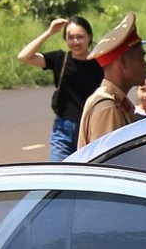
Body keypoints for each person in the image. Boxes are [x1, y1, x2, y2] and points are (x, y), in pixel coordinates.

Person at [16, 16, 100, 161]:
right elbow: (24, 56)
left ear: (89, 37)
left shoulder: (100, 63)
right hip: (63, 131)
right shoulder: (60, 59)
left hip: (92, 130)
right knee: (59, 176)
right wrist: (49, 32)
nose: (76, 42)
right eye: (70, 37)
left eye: (80, 37)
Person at [78, 13, 146, 148]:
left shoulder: (115, 101)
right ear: (123, 62)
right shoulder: (109, 108)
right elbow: (109, 165)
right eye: (141, 58)